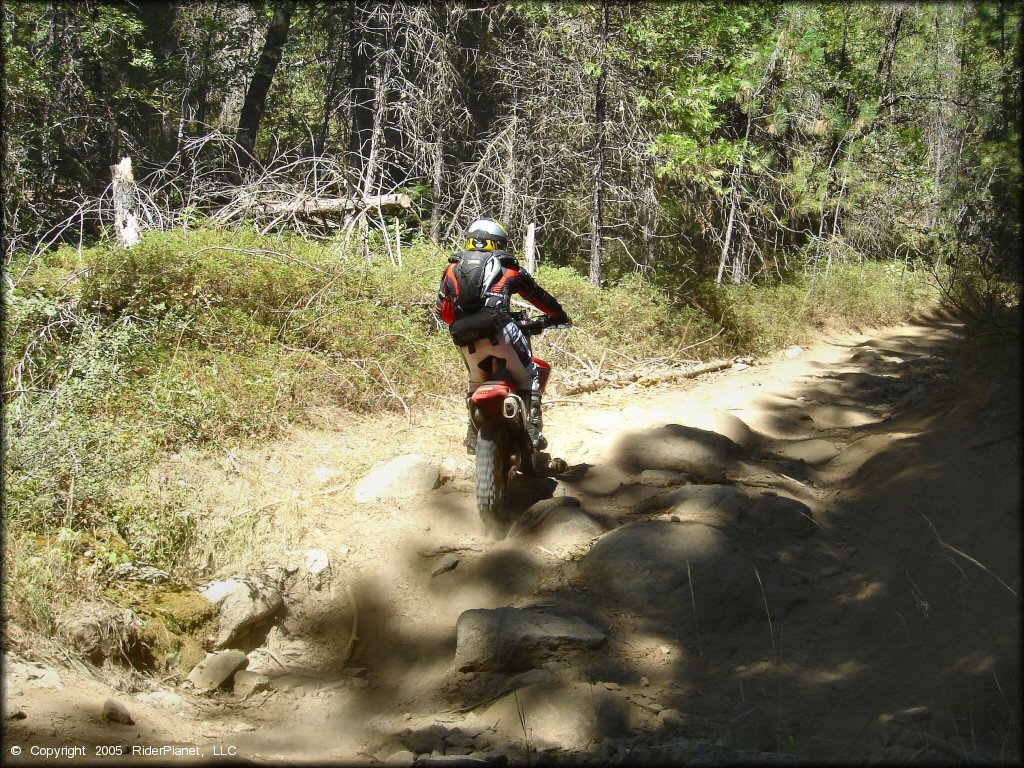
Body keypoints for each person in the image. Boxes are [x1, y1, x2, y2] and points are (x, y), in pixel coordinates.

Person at [434, 217, 570, 454]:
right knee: (530, 378)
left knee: (475, 382)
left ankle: (472, 436)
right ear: (497, 243)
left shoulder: (451, 270)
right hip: (502, 333)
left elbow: (443, 313)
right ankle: (532, 435)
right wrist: (558, 315)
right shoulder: (507, 269)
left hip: (465, 337)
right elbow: (538, 297)